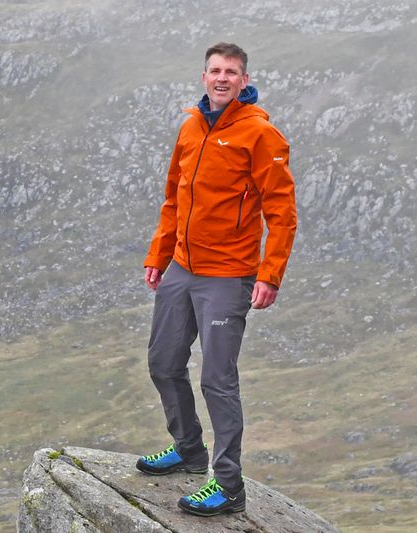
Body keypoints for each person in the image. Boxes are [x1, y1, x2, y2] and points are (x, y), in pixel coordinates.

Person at [134, 42, 297, 517]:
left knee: (217, 381)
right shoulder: (190, 127)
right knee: (163, 363)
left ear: (244, 80)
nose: (222, 78)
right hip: (182, 268)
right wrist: (159, 255)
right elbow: (173, 199)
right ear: (204, 77)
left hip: (228, 276)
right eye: (214, 71)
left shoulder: (260, 134)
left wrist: (270, 274)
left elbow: (282, 213)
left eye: (231, 72)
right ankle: (188, 449)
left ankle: (228, 486)